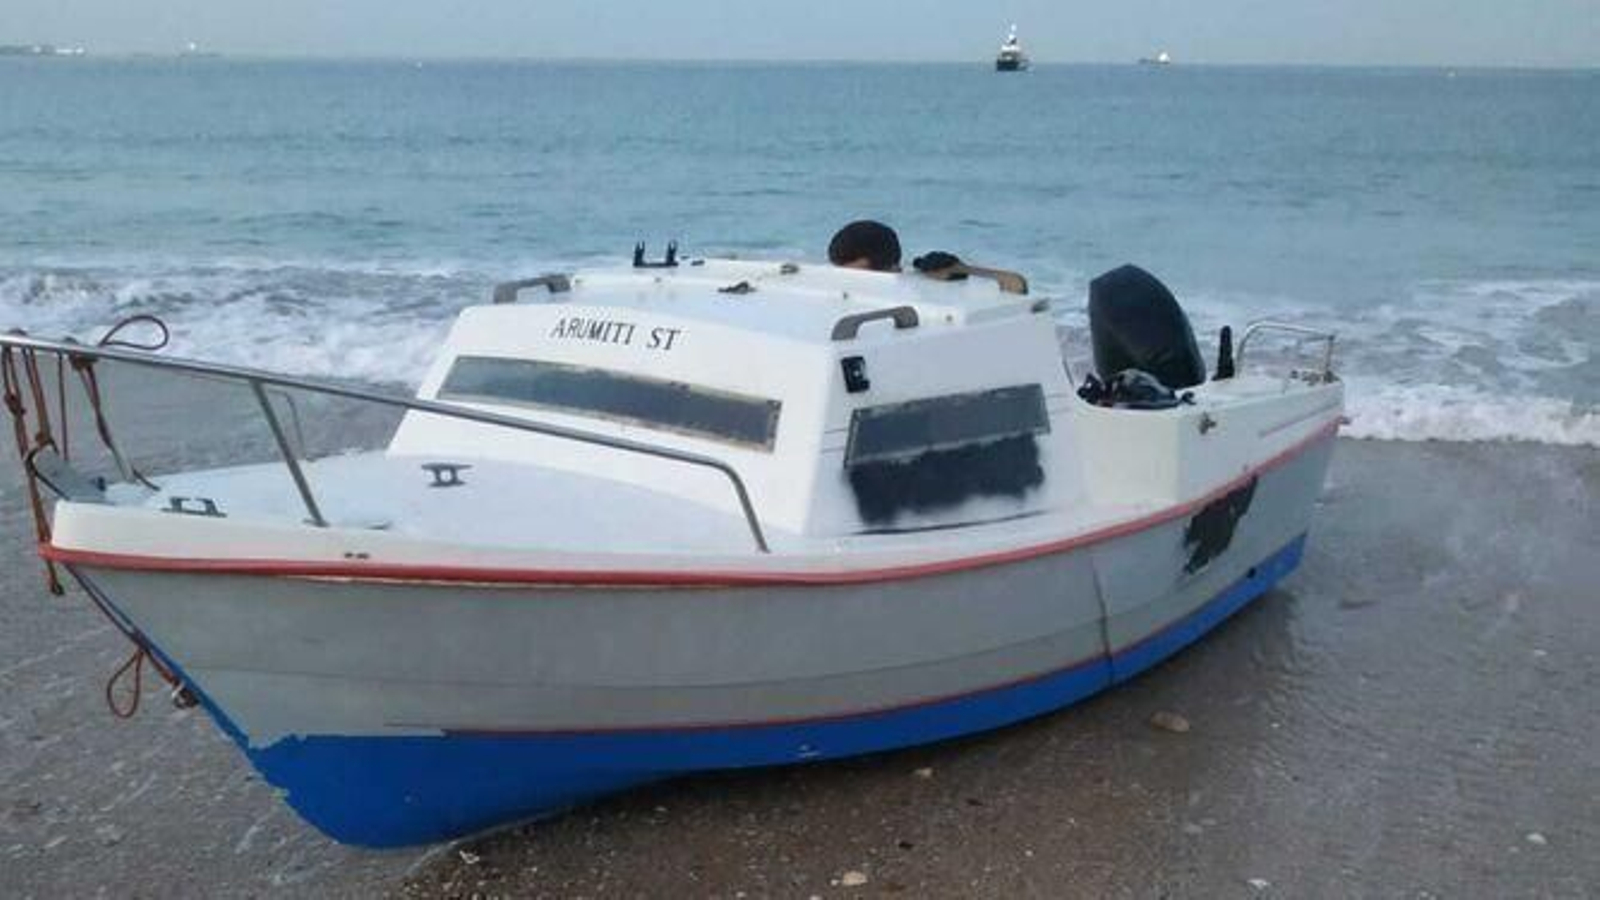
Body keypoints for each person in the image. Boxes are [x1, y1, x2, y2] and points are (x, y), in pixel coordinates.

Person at [827, 220, 902, 271]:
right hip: (844, 247)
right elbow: (869, 262)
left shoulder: (890, 249)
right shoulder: (888, 254)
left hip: (842, 244)